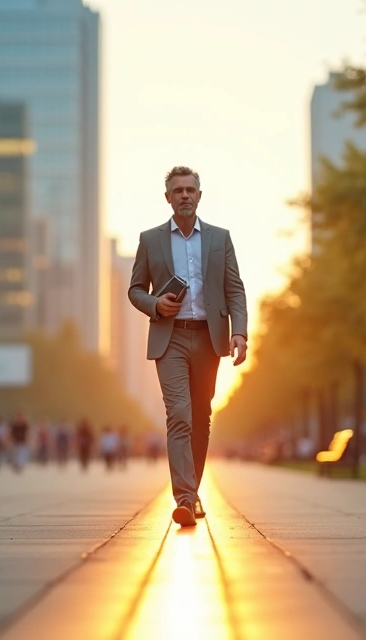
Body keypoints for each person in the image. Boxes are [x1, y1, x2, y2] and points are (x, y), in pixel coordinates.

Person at [127, 166, 249, 527]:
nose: (184, 195)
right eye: (177, 190)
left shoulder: (219, 238)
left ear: (199, 195)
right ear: (167, 197)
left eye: (190, 190)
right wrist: (155, 304)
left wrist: (239, 333)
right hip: (171, 338)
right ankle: (184, 497)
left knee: (201, 417)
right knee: (179, 414)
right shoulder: (150, 240)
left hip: (209, 338)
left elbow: (235, 289)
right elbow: (135, 289)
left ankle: (191, 492)